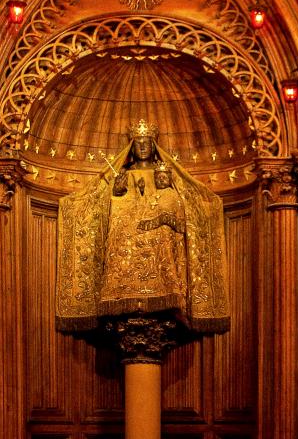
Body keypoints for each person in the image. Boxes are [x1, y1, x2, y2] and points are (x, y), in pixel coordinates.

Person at [56, 120, 228, 335]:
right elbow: (113, 205)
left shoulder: (163, 173)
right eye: (139, 143)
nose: (143, 147)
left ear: (154, 146)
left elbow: (176, 201)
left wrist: (159, 214)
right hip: (127, 237)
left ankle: (168, 287)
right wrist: (118, 189)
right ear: (132, 147)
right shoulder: (124, 174)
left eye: (147, 143)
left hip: (159, 238)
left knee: (164, 233)